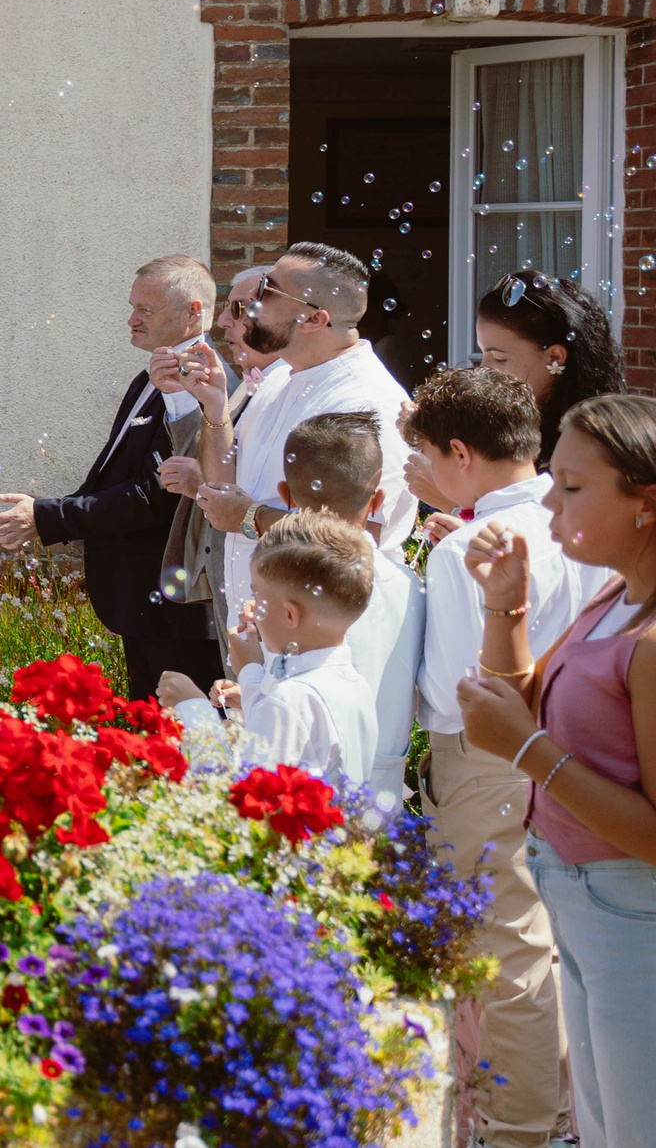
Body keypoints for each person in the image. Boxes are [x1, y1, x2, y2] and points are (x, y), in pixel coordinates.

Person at [456, 393, 656, 1148]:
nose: (548, 497)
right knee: (607, 1127)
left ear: (646, 503)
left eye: (573, 485)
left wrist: (528, 750)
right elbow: (522, 705)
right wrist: (505, 605)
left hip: (635, 914)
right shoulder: (613, 597)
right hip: (579, 897)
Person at [405, 364, 594, 1148]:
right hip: (568, 744)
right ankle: (561, 1110)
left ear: (459, 450)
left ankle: (519, 1127)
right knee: (552, 937)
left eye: (419, 453)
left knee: (508, 946)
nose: (413, 470)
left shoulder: (464, 554)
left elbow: (457, 691)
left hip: (487, 754)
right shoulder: (579, 522)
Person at [0, 255, 222, 699]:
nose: (132, 319)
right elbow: (121, 473)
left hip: (178, 608)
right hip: (144, 603)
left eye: (146, 310)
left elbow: (156, 495)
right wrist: (44, 510)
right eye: (133, 306)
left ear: (194, 311)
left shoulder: (202, 384)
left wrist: (49, 517)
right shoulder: (153, 375)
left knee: (188, 740)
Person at [193, 242, 412, 625]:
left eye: (266, 292)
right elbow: (223, 485)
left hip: (324, 630)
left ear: (313, 320)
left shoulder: (361, 402)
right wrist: (215, 410)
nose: (249, 306)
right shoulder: (279, 377)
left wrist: (251, 517)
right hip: (260, 625)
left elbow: (356, 540)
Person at [258, 412, 424, 799]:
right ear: (378, 499)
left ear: (286, 496)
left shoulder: (285, 586)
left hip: (309, 790)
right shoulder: (409, 584)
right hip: (384, 790)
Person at [159, 509, 379, 781]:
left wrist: (194, 708)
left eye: (258, 595)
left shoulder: (286, 702)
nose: (250, 607)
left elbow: (245, 796)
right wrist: (252, 685)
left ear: (290, 614)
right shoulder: (353, 683)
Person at [415, 271, 633, 545]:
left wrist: (451, 499)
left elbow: (564, 547)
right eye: (481, 354)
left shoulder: (589, 444)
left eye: (500, 358)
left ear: (554, 357)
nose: (485, 369)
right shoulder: (520, 425)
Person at [155, 263, 289, 651]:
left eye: (239, 308)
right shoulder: (250, 384)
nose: (224, 323)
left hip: (273, 592)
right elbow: (209, 466)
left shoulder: (292, 391)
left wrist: (203, 485)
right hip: (232, 585)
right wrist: (203, 403)